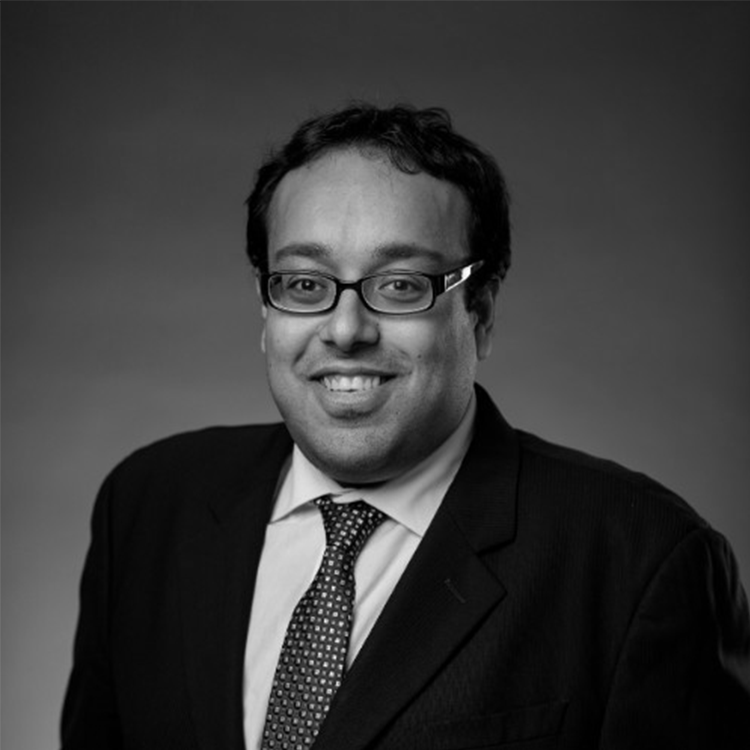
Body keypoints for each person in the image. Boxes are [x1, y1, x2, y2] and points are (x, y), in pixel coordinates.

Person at [61, 104, 750, 749]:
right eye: (305, 283)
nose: (345, 330)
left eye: (400, 285)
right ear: (266, 312)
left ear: (477, 313)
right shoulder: (148, 506)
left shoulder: (642, 560)